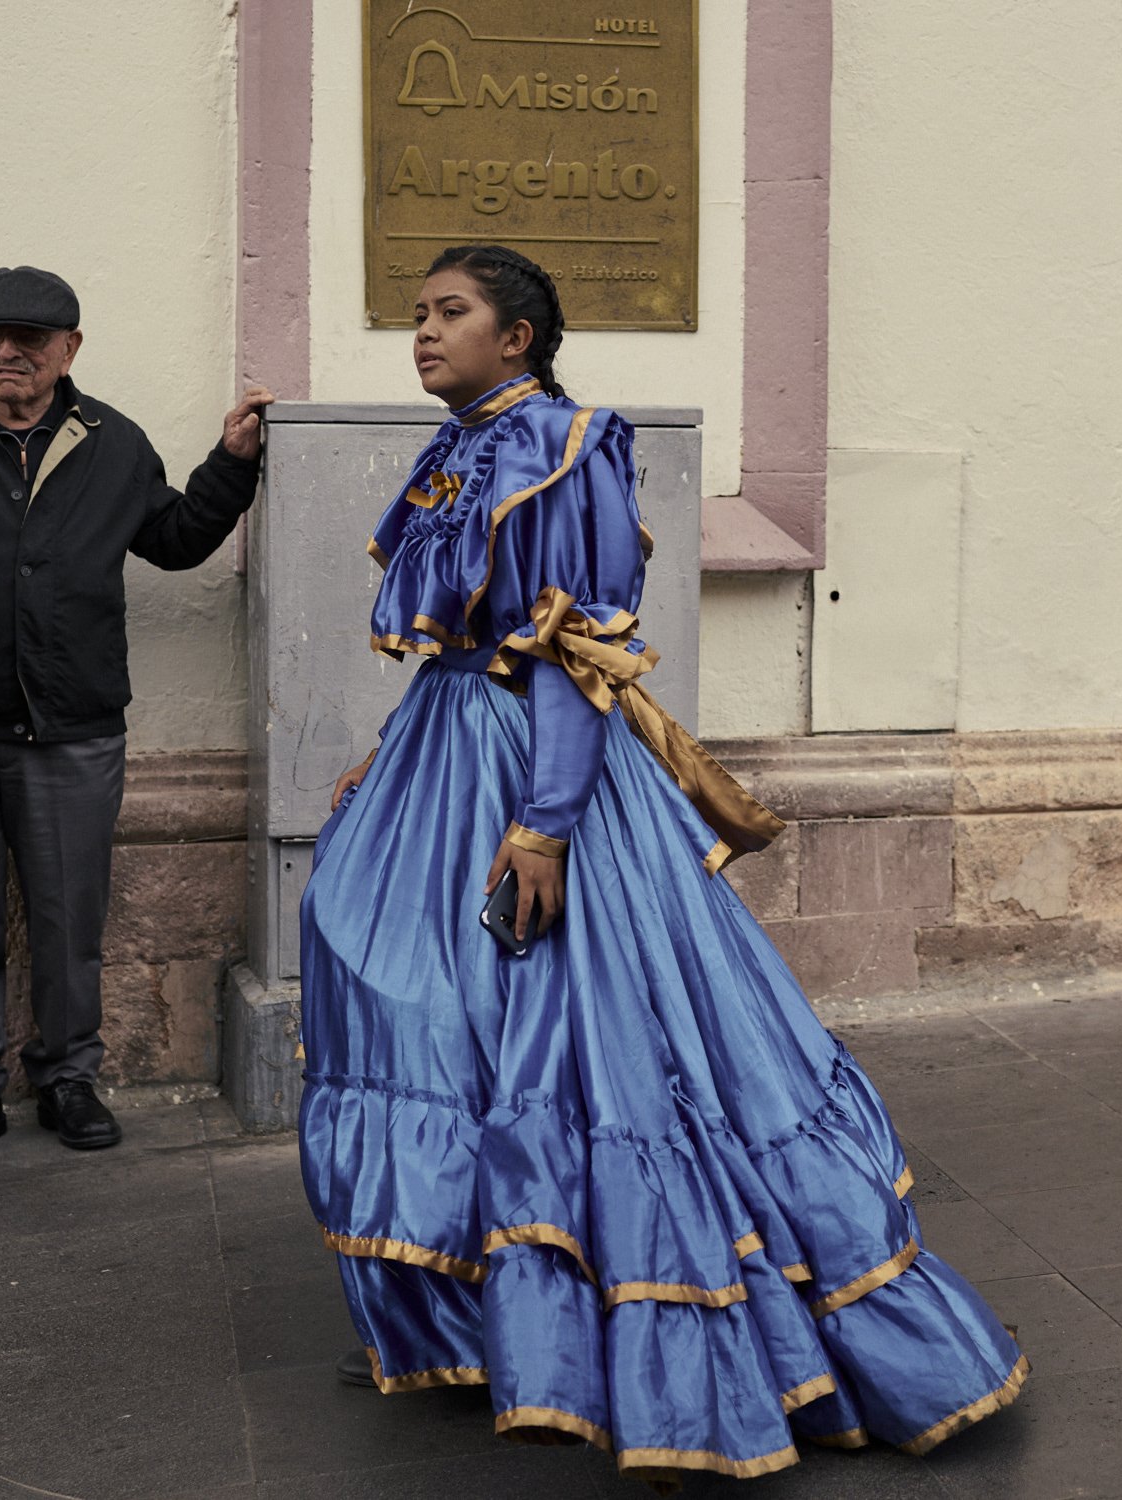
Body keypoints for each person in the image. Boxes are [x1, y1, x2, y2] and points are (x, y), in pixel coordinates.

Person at [297, 245, 1027, 1485]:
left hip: (541, 770)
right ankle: (487, 1313)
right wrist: (388, 753)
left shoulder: (570, 441)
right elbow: (460, 644)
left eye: (451, 314)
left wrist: (544, 824)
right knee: (432, 1008)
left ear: (516, 335)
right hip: (449, 747)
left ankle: (644, 1333)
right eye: (419, 315)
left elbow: (575, 651)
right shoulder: (460, 446)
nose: (423, 332)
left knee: (581, 1040)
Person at [0, 266, 273, 1171]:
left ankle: (66, 1077)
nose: (7, 353)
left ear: (68, 350)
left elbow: (171, 540)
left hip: (75, 729)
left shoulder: (112, 443)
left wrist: (231, 464)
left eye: (29, 340)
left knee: (67, 916)